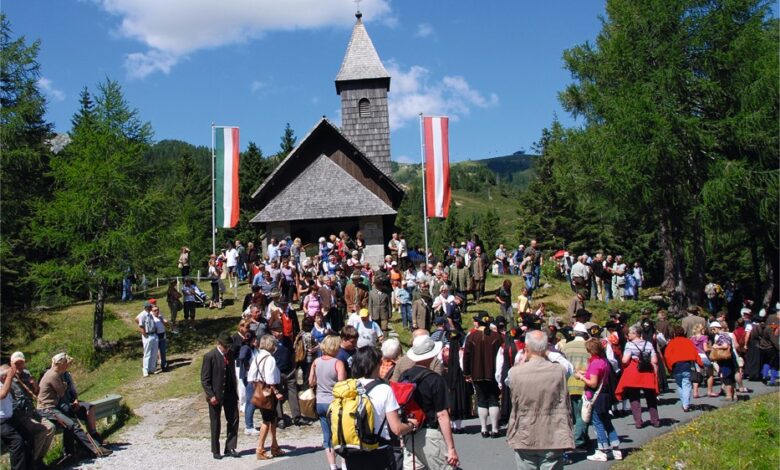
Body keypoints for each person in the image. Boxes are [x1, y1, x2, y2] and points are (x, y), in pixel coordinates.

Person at [506, 330, 573, 469]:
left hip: (525, 430)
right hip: (552, 431)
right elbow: (569, 367)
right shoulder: (559, 370)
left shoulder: (515, 373)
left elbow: (508, 381)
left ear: (526, 348)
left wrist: (523, 360)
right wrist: (547, 352)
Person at [344, 347, 417, 469]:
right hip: (379, 451)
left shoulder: (348, 387)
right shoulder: (384, 389)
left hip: (353, 450)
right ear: (375, 365)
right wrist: (411, 425)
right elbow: (397, 429)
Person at [400, 335, 461, 470]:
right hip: (430, 433)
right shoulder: (435, 379)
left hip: (410, 433)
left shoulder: (405, 376)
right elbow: (442, 415)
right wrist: (451, 447)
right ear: (431, 355)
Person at [37, 353, 110, 459]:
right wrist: (64, 385)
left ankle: (76, 451)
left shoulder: (55, 374)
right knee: (71, 424)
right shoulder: (53, 375)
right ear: (61, 364)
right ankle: (81, 451)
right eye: (66, 363)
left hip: (53, 407)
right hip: (47, 408)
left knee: (72, 424)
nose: (68, 365)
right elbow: (62, 392)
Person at [575, 339, 621, 462]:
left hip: (596, 397)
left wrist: (581, 377)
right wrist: (586, 373)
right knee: (607, 422)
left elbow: (593, 383)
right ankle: (616, 448)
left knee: (598, 423)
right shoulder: (604, 361)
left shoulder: (595, 363)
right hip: (605, 395)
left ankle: (602, 450)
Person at [8, 352, 55, 468]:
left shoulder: (27, 374)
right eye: (16, 363)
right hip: (20, 415)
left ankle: (39, 458)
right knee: (41, 431)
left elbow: (36, 393)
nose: (19, 366)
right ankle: (32, 461)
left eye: (21, 363)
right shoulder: (8, 378)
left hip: (32, 411)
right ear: (11, 364)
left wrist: (34, 385)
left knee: (51, 427)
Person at [309, 335, 347, 470]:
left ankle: (332, 465)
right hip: (334, 402)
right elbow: (341, 384)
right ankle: (344, 464)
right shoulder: (338, 363)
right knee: (341, 434)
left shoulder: (316, 362)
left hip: (320, 402)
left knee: (327, 435)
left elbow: (311, 381)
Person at [200, 332, 240, 460]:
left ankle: (230, 447)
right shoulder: (210, 356)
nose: (227, 349)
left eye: (228, 347)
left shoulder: (230, 354)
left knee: (234, 419)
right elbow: (205, 379)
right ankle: (215, 450)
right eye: (225, 346)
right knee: (215, 422)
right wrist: (211, 395)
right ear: (219, 344)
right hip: (216, 395)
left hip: (230, 392)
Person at [463, 313, 503, 438]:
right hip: (493, 373)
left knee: (481, 400)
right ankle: (495, 429)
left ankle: (484, 428)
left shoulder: (471, 336)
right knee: (493, 399)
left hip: (476, 373)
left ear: (478, 322)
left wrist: (466, 373)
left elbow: (466, 356)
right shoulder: (497, 336)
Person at [247, 334, 285, 460]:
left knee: (272, 419)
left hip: (259, 389)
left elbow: (251, 377)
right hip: (269, 391)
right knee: (267, 420)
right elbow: (270, 379)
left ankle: (274, 446)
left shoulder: (257, 357)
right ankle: (260, 449)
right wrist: (276, 391)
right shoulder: (270, 359)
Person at [615, 325, 660, 428]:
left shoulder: (629, 345)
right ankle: (655, 420)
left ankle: (638, 421)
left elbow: (625, 360)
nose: (628, 335)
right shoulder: (648, 344)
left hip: (634, 372)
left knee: (634, 398)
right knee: (651, 397)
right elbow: (654, 360)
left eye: (630, 333)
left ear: (635, 333)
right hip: (647, 371)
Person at [560, 323, 591, 451]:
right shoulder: (588, 346)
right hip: (585, 382)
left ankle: (582, 438)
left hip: (569, 382)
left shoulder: (566, 347)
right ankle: (579, 440)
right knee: (583, 414)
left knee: (573, 414)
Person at [663, 325, 703, 412]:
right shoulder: (688, 342)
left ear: (674, 333)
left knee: (680, 385)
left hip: (676, 366)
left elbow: (666, 356)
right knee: (687, 384)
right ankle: (686, 404)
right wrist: (700, 364)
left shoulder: (671, 343)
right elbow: (695, 353)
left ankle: (684, 403)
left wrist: (669, 368)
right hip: (686, 365)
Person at [1, 364, 30, 470]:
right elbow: (2, 394)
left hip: (10, 417)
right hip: (2, 421)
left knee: (28, 438)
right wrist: (9, 376)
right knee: (17, 442)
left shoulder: (5, 383)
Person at [709, 321, 738, 402]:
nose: (712, 331)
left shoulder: (723, 335)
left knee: (727, 376)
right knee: (730, 376)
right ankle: (734, 394)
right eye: (711, 329)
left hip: (725, 360)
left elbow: (726, 345)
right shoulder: (722, 335)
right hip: (727, 359)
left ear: (718, 328)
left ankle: (729, 395)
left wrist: (717, 346)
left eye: (713, 329)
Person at [137, 301, 159, 376]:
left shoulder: (150, 314)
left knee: (154, 353)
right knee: (147, 353)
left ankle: (152, 369)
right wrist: (145, 335)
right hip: (148, 335)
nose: (151, 308)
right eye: (150, 307)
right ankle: (145, 370)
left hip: (153, 334)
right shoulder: (142, 315)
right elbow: (141, 326)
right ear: (146, 307)